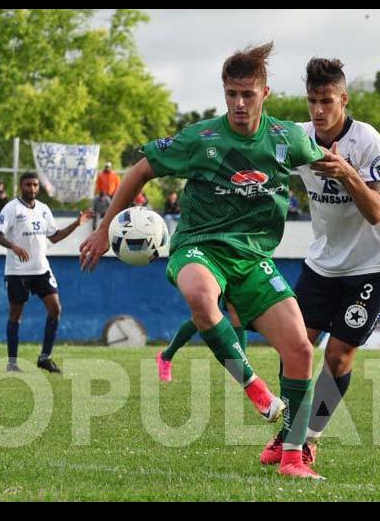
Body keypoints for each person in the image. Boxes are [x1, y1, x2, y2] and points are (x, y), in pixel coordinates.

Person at [79, 42, 327, 479]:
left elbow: (326, 161)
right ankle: (254, 387)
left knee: (301, 349)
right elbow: (140, 169)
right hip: (199, 245)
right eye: (231, 93)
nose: (238, 103)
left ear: (264, 94)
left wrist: (359, 185)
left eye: (247, 94)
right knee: (198, 292)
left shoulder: (288, 138)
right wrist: (104, 228)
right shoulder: (201, 138)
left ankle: (290, 457)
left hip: (252, 258)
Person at [258, 57, 380, 468]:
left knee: (338, 356)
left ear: (343, 99)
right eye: (312, 101)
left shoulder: (368, 142)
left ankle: (307, 439)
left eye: (326, 101)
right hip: (324, 262)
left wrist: (347, 174)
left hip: (374, 264)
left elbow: (377, 212)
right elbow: (263, 161)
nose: (318, 111)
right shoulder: (299, 139)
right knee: (294, 347)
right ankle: (290, 433)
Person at [0, 172, 93, 374]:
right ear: (21, 186)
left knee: (55, 309)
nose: (32, 188)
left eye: (35, 185)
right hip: (17, 272)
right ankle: (12, 363)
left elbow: (54, 237)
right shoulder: (11, 208)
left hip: (40, 269)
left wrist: (76, 223)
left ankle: (45, 357)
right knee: (15, 315)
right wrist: (14, 247)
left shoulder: (44, 209)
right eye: (28, 184)